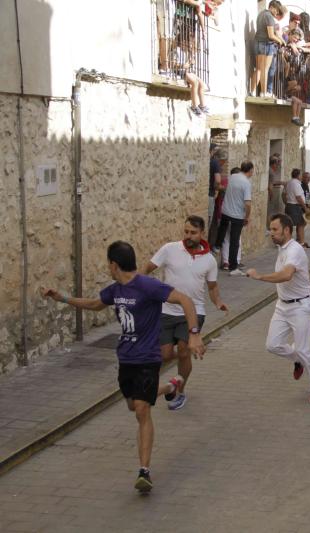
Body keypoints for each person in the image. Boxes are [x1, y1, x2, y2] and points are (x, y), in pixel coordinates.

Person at [41, 241, 204, 492]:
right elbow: (95, 304)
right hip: (125, 359)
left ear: (113, 264)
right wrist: (61, 297)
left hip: (148, 358)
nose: (108, 267)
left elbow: (185, 300)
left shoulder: (147, 285)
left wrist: (193, 334)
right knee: (133, 404)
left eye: (108, 263)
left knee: (141, 410)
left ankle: (144, 472)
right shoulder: (115, 290)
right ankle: (172, 385)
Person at [143, 216, 227, 411]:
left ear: (202, 234)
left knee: (182, 350)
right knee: (164, 354)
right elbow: (147, 268)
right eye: (186, 232)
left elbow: (212, 287)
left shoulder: (209, 260)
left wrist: (218, 301)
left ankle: (180, 391)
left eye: (193, 233)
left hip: (194, 311)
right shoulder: (169, 249)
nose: (188, 236)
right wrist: (136, 286)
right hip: (166, 310)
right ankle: (178, 376)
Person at [246, 214, 310, 403]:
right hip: (283, 305)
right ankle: (297, 360)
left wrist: (259, 276)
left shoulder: (294, 250)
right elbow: (301, 270)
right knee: (272, 345)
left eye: (274, 229)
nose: (270, 233)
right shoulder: (283, 248)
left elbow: (287, 275)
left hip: (300, 307)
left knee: (305, 350)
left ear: (287, 230)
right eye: (270, 229)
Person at [213, 161, 253, 276]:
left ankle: (216, 246)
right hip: (237, 215)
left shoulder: (233, 176)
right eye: (252, 170)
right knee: (235, 241)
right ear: (250, 170)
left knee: (223, 229)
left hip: (225, 211)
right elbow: (248, 203)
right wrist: (247, 217)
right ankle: (233, 267)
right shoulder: (246, 183)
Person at [250, 0, 285, 98]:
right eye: (277, 10)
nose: (277, 13)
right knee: (265, 69)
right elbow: (271, 35)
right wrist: (280, 41)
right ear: (272, 7)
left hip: (257, 42)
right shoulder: (269, 16)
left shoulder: (261, 14)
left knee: (259, 69)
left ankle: (252, 92)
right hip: (266, 44)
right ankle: (264, 93)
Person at [283, 168, 310, 247]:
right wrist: (305, 208)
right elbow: (298, 197)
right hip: (295, 207)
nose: (301, 177)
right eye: (301, 175)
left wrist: (287, 203)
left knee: (289, 225)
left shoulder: (289, 182)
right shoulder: (296, 184)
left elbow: (283, 194)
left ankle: (288, 242)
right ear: (298, 175)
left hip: (289, 205)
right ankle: (301, 243)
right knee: (301, 224)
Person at [208, 144, 222, 224]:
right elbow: (218, 180)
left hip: (202, 194)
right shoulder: (215, 162)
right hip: (210, 194)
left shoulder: (205, 161)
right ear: (212, 150)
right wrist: (217, 191)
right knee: (208, 221)